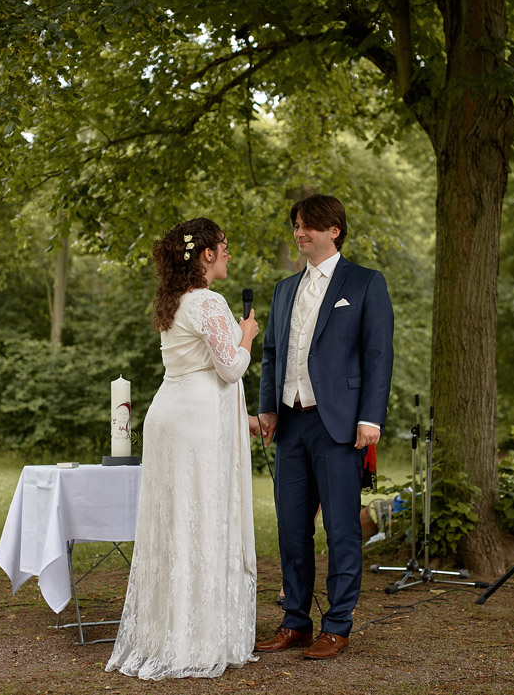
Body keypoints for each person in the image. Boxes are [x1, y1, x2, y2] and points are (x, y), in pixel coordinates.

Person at [106, 218, 261, 679]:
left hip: (169, 413)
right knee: (201, 521)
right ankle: (196, 639)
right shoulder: (209, 301)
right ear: (206, 255)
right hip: (196, 421)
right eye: (225, 247)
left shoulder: (173, 301)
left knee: (174, 525)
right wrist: (247, 335)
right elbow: (231, 367)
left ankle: (169, 633)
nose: (229, 255)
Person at [254, 194, 393, 660]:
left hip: (340, 426)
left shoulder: (366, 283)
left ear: (334, 230)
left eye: (308, 226)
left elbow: (377, 355)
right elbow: (272, 351)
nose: (299, 233)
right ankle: (295, 621)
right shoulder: (283, 288)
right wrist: (267, 407)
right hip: (290, 423)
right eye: (296, 225)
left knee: (340, 530)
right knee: (292, 530)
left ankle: (338, 625)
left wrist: (371, 416)